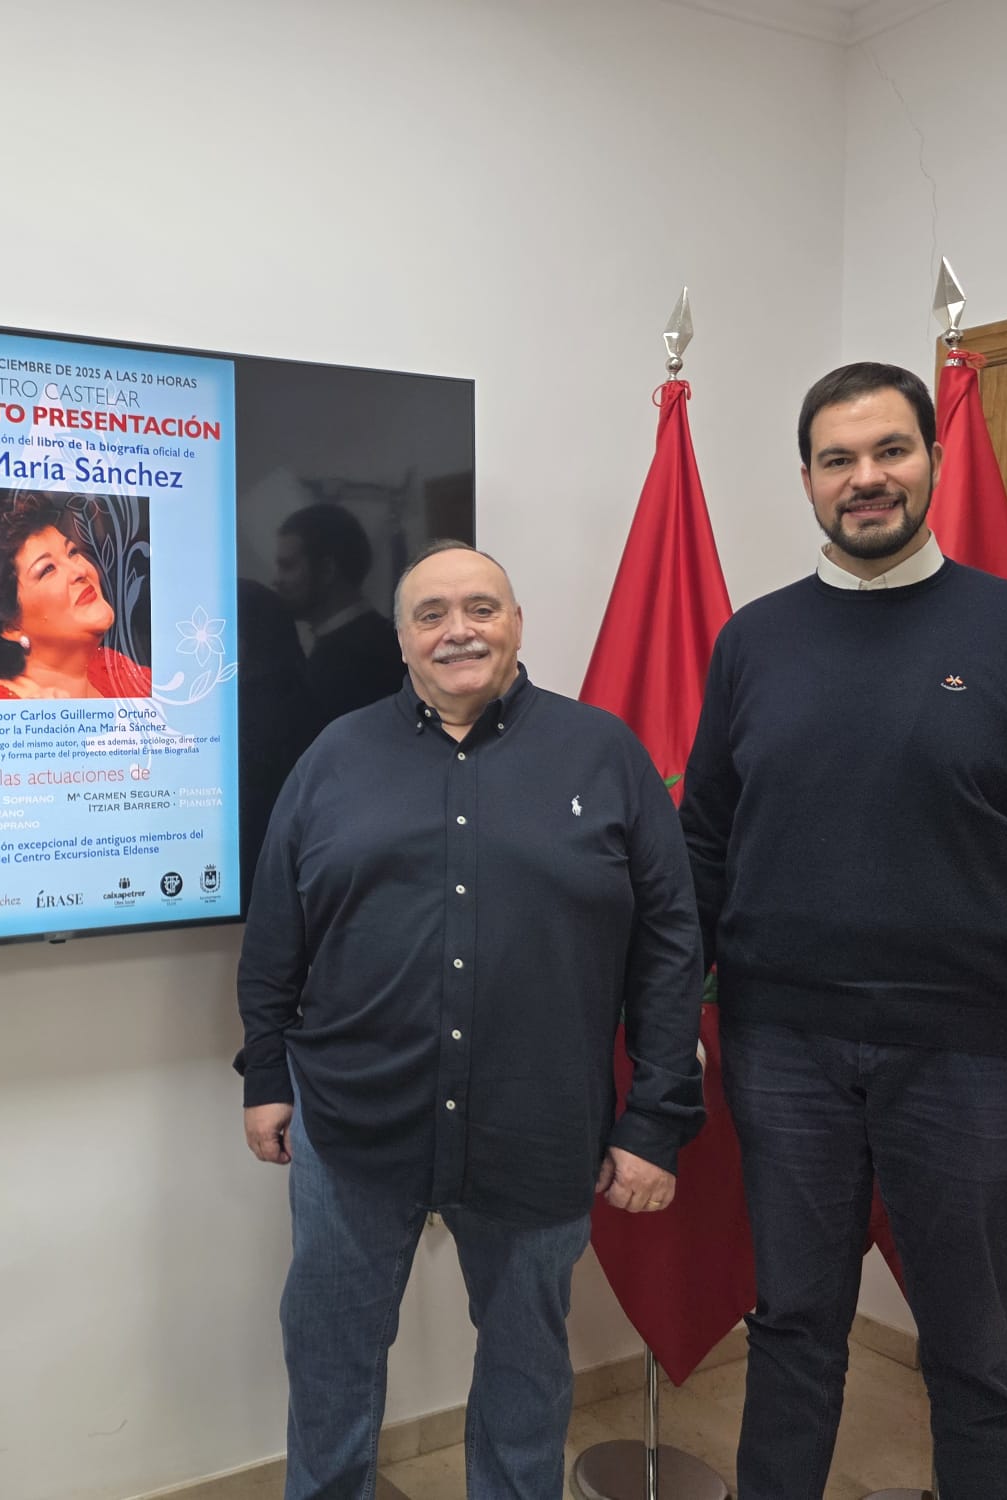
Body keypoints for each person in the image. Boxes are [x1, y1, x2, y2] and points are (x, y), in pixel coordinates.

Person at [680, 362, 1007, 1500]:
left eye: (888, 451)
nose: (864, 479)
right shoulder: (751, 643)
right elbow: (700, 850)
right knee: (788, 1331)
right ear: (806, 481)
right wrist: (671, 1009)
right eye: (837, 460)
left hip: (972, 1059)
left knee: (977, 1358)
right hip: (781, 1052)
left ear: (932, 459)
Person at [237, 541, 704, 1500]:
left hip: (538, 1125)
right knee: (331, 1355)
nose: (459, 630)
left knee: (528, 1369)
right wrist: (266, 1077)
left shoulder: (604, 753)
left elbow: (669, 950)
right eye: (432, 613)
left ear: (518, 623)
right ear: (402, 638)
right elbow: (276, 932)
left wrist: (656, 1119)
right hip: (354, 1121)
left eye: (482, 608)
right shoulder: (335, 755)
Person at [0, 490, 151, 698]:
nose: (79, 571)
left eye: (72, 552)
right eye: (48, 569)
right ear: (11, 626)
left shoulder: (116, 670)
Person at [273, 501, 402, 722]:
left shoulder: (345, 664)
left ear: (326, 570)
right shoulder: (390, 640)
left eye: (288, 566)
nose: (276, 580)